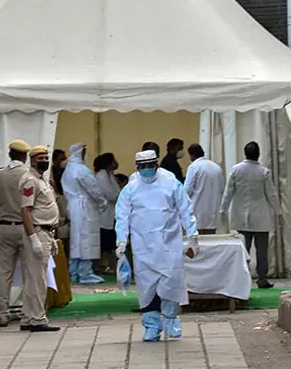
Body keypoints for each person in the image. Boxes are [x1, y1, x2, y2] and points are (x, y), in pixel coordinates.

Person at [115, 150, 199, 342]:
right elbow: (122, 216)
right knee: (147, 287)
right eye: (143, 167)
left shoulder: (171, 183)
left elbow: (185, 209)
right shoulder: (130, 189)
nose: (147, 170)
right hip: (142, 245)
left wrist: (192, 236)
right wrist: (121, 240)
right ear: (137, 167)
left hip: (169, 243)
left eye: (150, 165)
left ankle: (171, 320)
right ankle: (151, 325)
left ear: (157, 164)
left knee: (170, 282)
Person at [220, 141, 279, 289]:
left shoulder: (236, 170)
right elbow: (271, 194)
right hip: (261, 216)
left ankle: (242, 278)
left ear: (245, 153)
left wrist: (223, 210)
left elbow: (228, 192)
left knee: (242, 249)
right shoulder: (264, 172)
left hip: (240, 216)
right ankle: (262, 278)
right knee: (262, 250)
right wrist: (277, 211)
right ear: (258, 154)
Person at [0, 139, 31, 328]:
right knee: (29, 272)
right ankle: (27, 311)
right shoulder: (29, 175)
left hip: (4, 226)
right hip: (25, 227)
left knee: (5, 272)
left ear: (10, 154)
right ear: (25, 156)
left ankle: (2, 314)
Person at [19, 145, 61, 332]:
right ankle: (38, 318)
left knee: (33, 277)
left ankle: (28, 317)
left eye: (46, 157)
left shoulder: (42, 180)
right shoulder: (30, 180)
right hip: (37, 230)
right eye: (40, 158)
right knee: (38, 279)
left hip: (46, 231)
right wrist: (33, 237)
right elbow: (25, 210)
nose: (44, 160)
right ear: (32, 160)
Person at [61, 142, 108, 284]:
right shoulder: (81, 170)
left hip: (74, 207)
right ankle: (85, 272)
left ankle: (74, 271)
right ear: (81, 152)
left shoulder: (68, 169)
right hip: (85, 207)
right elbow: (93, 188)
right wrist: (102, 202)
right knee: (87, 239)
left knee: (77, 240)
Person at [184, 144, 224, 234]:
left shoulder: (194, 167)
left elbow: (187, 191)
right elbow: (222, 189)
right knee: (210, 244)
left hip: (196, 214)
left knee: (197, 245)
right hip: (213, 214)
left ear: (192, 155)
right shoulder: (217, 167)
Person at [94, 152, 122, 270]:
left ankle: (106, 265)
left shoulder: (109, 174)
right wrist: (121, 194)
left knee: (108, 241)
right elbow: (110, 194)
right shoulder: (101, 175)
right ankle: (101, 265)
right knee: (103, 242)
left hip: (110, 212)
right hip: (104, 212)